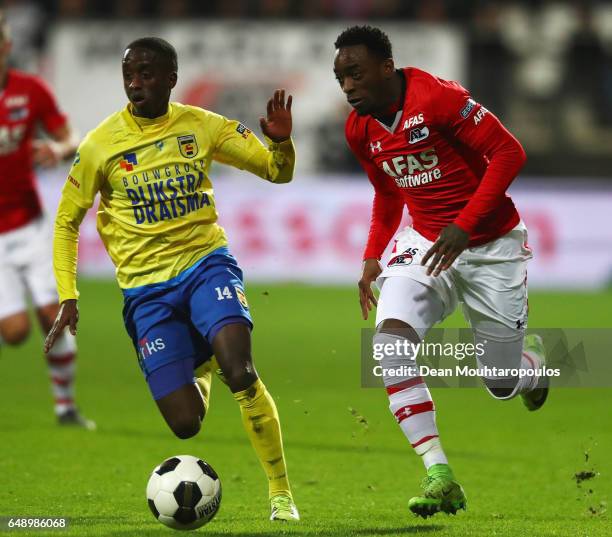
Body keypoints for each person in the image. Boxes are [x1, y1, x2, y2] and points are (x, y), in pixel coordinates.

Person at [43, 37, 299, 521]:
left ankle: (281, 494)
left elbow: (275, 172)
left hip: (205, 265)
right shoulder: (100, 145)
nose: (135, 83)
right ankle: (200, 361)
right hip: (146, 293)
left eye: (145, 73)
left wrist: (281, 143)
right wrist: (68, 294)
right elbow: (65, 223)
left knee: (241, 371)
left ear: (169, 79)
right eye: (129, 75)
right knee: (185, 425)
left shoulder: (201, 126)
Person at [334, 25, 548, 518]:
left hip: (492, 245)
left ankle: (531, 371)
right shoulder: (360, 129)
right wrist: (372, 256)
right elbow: (389, 193)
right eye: (341, 77)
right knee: (389, 343)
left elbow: (509, 152)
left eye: (355, 73)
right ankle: (439, 473)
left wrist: (465, 225)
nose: (347, 86)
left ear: (386, 67)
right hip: (427, 242)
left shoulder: (440, 98)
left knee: (498, 381)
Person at [0, 10, 94, 429]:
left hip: (31, 224)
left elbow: (68, 135)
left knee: (53, 316)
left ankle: (65, 406)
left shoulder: (30, 90)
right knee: (15, 332)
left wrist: (59, 150)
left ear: (7, 46)